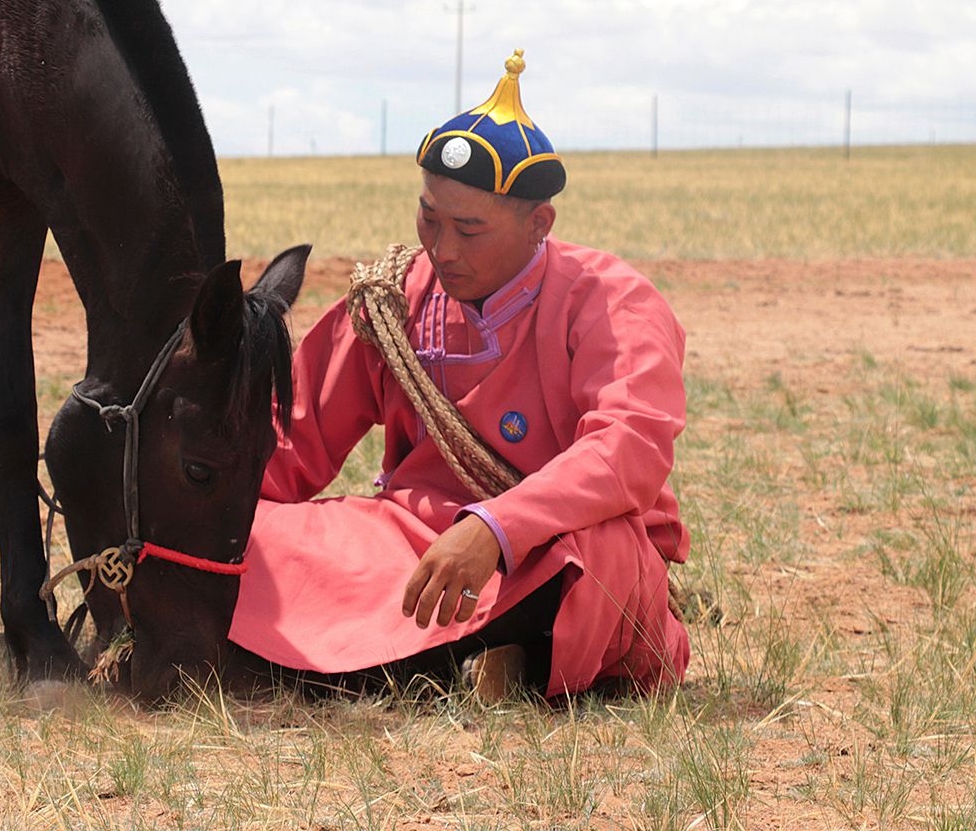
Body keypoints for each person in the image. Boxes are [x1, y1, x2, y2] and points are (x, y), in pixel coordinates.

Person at [228, 51, 690, 699]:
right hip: (408, 542)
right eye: (430, 219)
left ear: (540, 224)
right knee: (245, 535)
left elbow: (626, 452)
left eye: (469, 230)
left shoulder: (614, 302)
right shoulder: (392, 298)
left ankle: (449, 658)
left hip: (550, 544)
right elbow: (288, 443)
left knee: (597, 558)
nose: (441, 249)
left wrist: (496, 529)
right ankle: (458, 660)